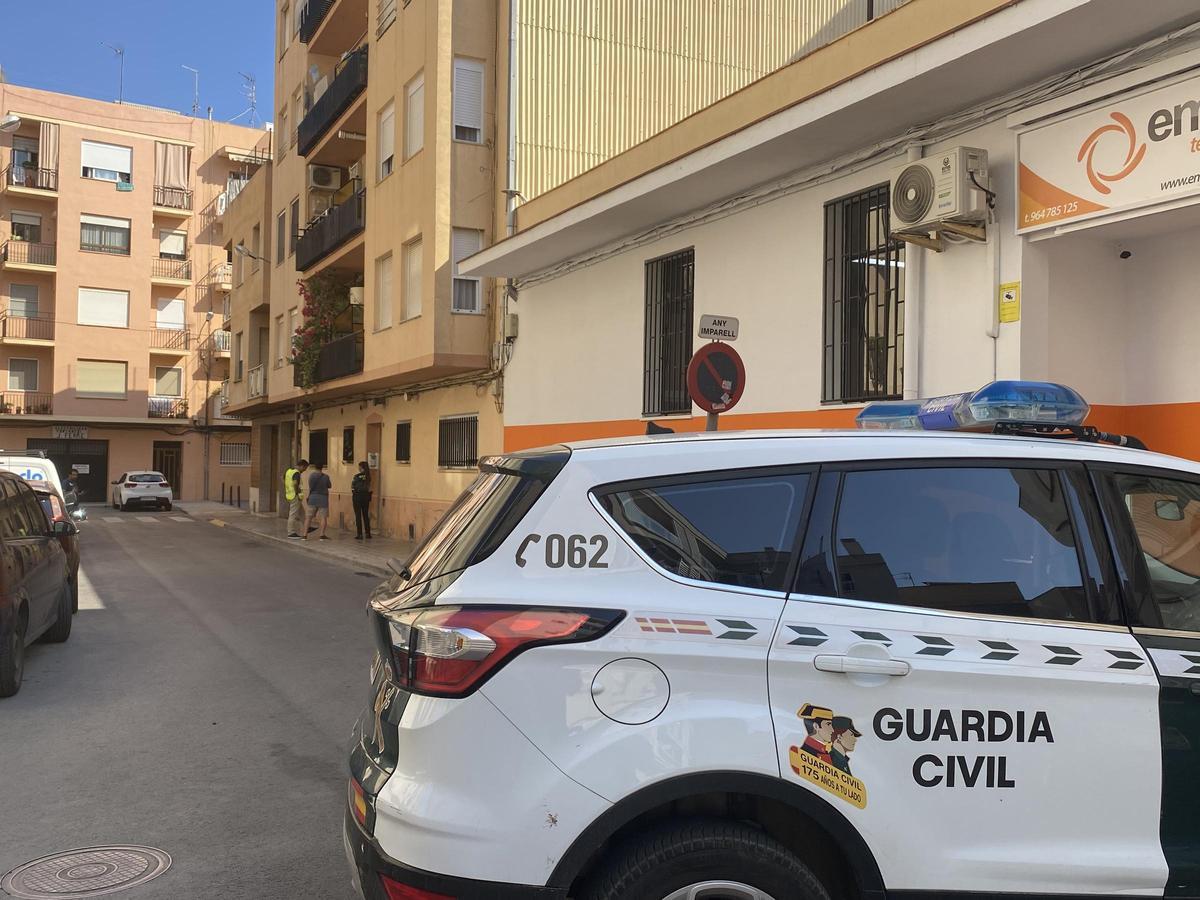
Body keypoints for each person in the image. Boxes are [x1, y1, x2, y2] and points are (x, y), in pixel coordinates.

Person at [303, 462, 332, 541]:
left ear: (315, 467)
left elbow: (310, 486)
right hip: (323, 498)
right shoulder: (326, 477)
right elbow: (329, 485)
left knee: (308, 517)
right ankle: (322, 535)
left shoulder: (311, 476)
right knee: (323, 517)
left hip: (313, 497)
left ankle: (304, 535)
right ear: (322, 468)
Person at [284, 459, 309, 538]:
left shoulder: (289, 471)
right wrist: (297, 492)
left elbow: (283, 478)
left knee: (302, 513)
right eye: (304, 468)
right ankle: (291, 532)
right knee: (293, 514)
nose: (304, 470)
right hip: (295, 496)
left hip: (289, 495)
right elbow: (295, 484)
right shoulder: (296, 473)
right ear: (302, 466)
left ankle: (307, 527)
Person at [351, 461, 373, 540]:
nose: (358, 468)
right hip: (366, 497)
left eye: (359, 466)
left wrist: (354, 491)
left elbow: (353, 487)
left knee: (358, 515)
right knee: (365, 515)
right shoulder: (368, 476)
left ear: (361, 467)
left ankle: (359, 534)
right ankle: (368, 533)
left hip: (357, 497)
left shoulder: (357, 476)